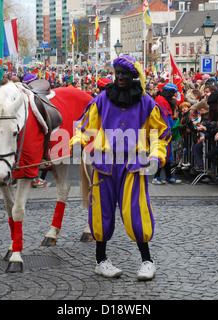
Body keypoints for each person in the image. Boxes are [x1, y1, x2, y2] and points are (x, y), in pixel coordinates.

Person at [70, 55, 171, 280]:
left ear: (133, 75)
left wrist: (156, 155)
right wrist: (77, 144)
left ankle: (147, 261)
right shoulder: (102, 99)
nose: (120, 77)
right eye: (117, 73)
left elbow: (161, 132)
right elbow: (84, 126)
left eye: (125, 73)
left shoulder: (146, 102)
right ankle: (100, 260)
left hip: (133, 164)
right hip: (104, 163)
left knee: (136, 211)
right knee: (101, 211)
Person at [153, 83, 182, 184]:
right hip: (161, 132)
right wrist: (174, 124)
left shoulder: (161, 99)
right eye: (172, 93)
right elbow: (166, 117)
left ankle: (168, 176)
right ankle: (156, 177)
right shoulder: (162, 101)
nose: (173, 96)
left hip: (163, 132)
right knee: (161, 154)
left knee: (167, 155)